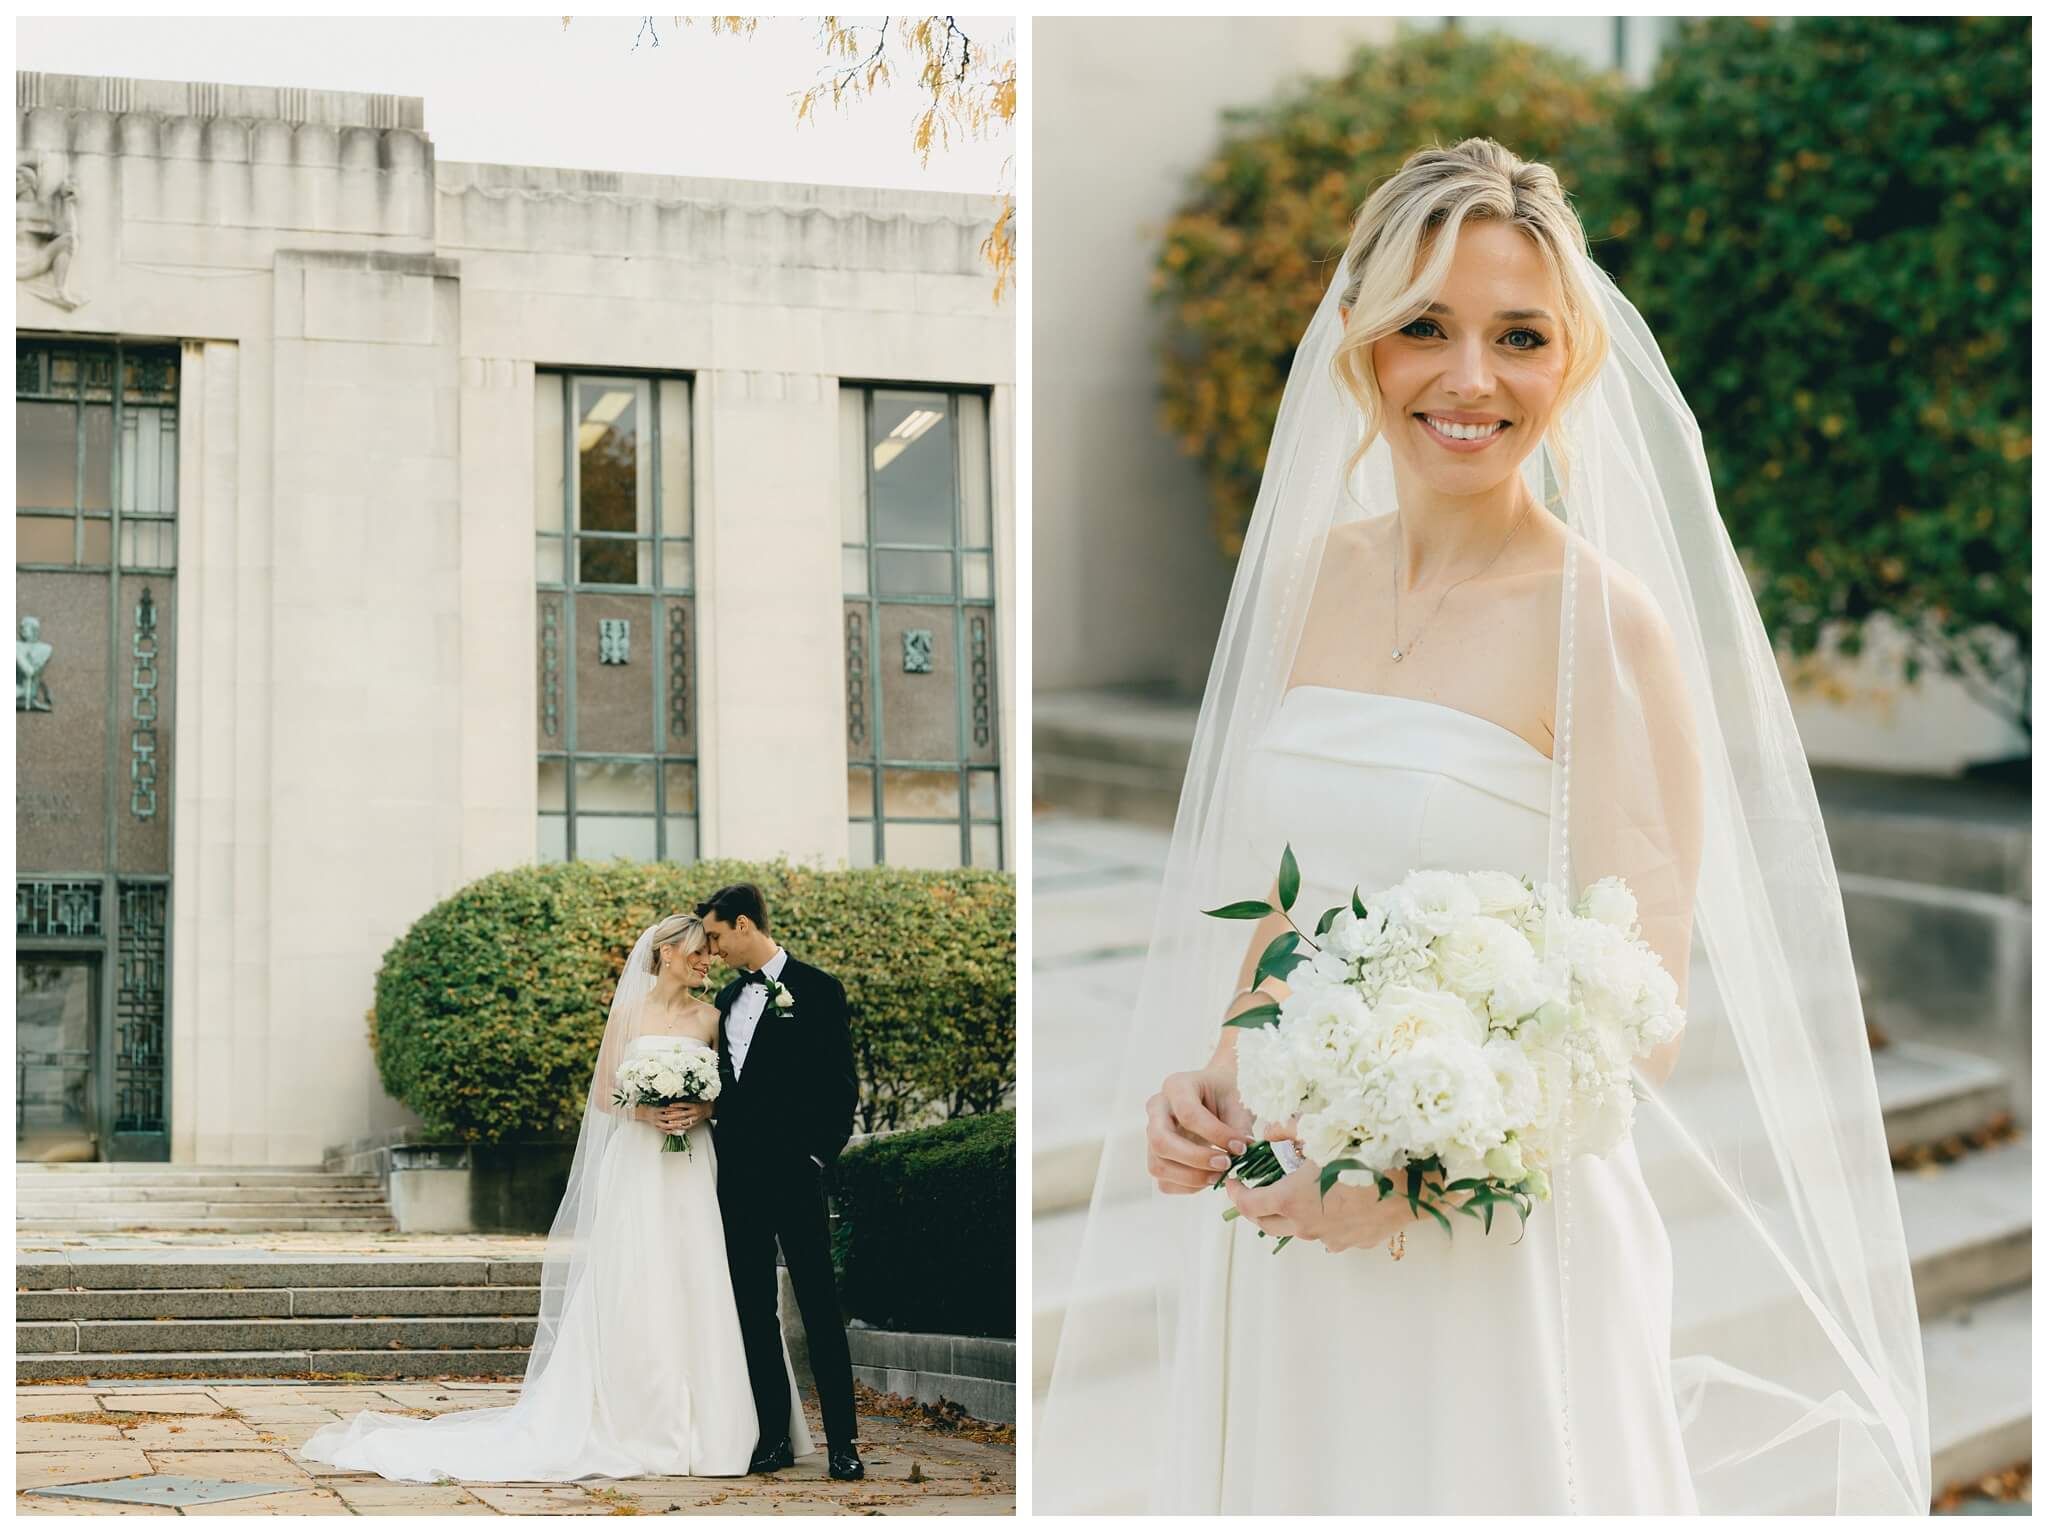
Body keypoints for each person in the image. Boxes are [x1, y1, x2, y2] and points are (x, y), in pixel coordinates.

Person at [1038, 139, 1928, 1514]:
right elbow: (1288, 903)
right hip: (1285, 1224)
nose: (1469, 378)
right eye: (1425, 329)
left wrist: (1403, 1180)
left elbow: (1644, 1009)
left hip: (1492, 1253)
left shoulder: (1601, 625)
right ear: (1359, 343)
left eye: (1518, 336)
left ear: (1571, 360)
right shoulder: (1304, 584)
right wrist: (1216, 1075)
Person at [300, 913, 810, 1482]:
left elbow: (731, 1097)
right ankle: (633, 1415)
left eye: (710, 953)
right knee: (634, 1273)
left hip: (692, 1163)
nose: (707, 960)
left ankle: (715, 1425)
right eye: (696, 951)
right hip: (639, 1162)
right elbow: (605, 1095)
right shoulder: (627, 1014)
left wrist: (701, 1108)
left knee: (698, 1272)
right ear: (666, 952)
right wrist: (647, 1112)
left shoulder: (712, 1018)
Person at [696, 881, 865, 1483]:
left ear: (744, 924)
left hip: (796, 1174)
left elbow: (840, 1085)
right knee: (752, 1308)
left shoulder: (818, 988)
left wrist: (817, 1158)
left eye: (716, 935)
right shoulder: (727, 997)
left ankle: (843, 1443)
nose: (712, 948)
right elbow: (730, 1087)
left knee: (819, 1305)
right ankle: (774, 1438)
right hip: (737, 1177)